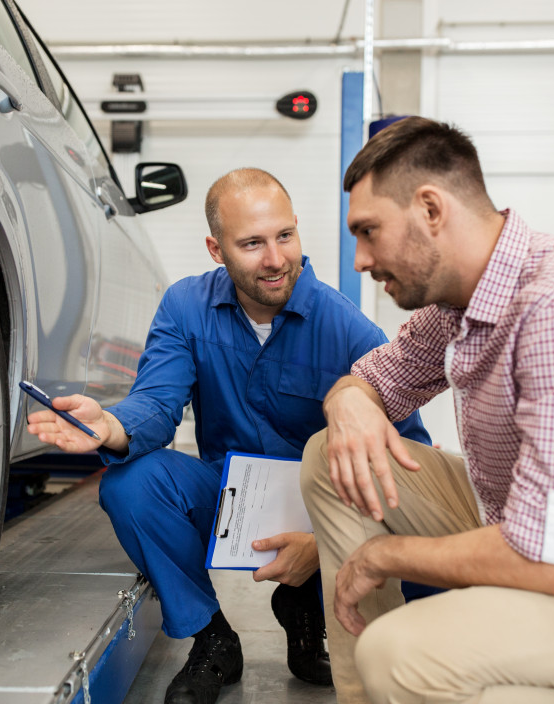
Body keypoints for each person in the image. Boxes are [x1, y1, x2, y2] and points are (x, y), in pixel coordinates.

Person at [301, 116, 554, 703]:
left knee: (403, 654)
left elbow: (546, 560)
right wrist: (349, 404)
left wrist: (384, 554)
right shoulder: (465, 295)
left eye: (369, 231)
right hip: (532, 531)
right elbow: (375, 378)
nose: (360, 259)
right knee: (331, 458)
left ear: (431, 210)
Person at [26, 167, 430, 704]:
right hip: (229, 494)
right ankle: (212, 637)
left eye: (285, 235)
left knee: (407, 531)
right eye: (252, 243)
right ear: (217, 249)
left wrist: (325, 542)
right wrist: (112, 425)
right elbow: (157, 402)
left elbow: (411, 458)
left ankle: (306, 611)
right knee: (131, 484)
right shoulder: (185, 308)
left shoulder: (348, 328)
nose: (275, 259)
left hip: (320, 511)